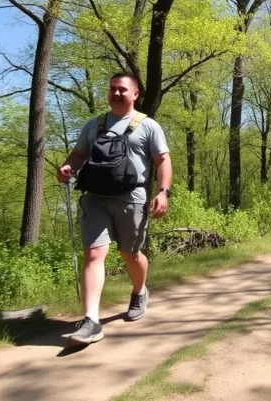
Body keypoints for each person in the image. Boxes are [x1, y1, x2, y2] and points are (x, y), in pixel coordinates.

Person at [57, 72, 172, 345]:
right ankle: (91, 321)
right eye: (112, 89)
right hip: (94, 197)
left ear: (135, 94)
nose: (116, 94)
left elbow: (162, 160)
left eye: (122, 89)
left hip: (131, 198)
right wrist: (68, 167)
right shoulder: (93, 125)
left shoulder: (148, 125)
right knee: (94, 253)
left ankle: (140, 290)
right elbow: (79, 153)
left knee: (130, 254)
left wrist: (163, 192)